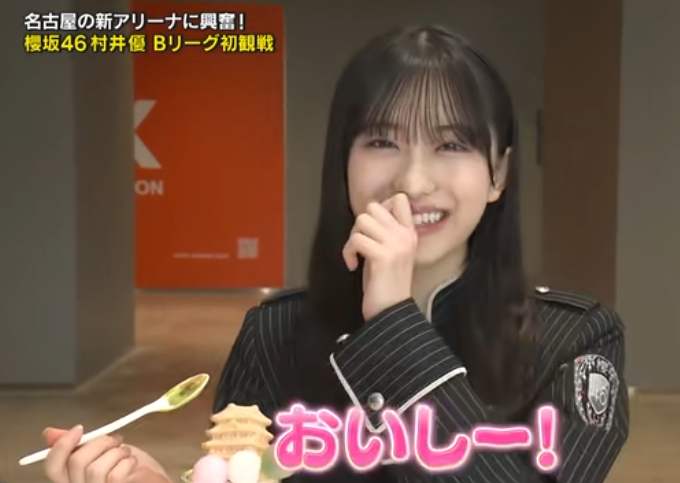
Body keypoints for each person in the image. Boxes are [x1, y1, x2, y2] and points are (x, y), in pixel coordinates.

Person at [42, 25, 629, 482]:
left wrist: (393, 321)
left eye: (452, 144)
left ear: (498, 172)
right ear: (342, 164)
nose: (414, 180)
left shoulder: (575, 340)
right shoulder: (274, 333)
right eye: (382, 141)